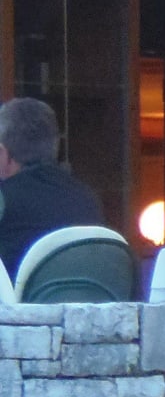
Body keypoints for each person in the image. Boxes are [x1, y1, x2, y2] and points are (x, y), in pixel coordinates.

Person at [0, 97, 104, 277]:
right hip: (81, 294)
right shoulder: (87, 199)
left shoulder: (4, 200)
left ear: (2, 153)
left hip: (19, 295)